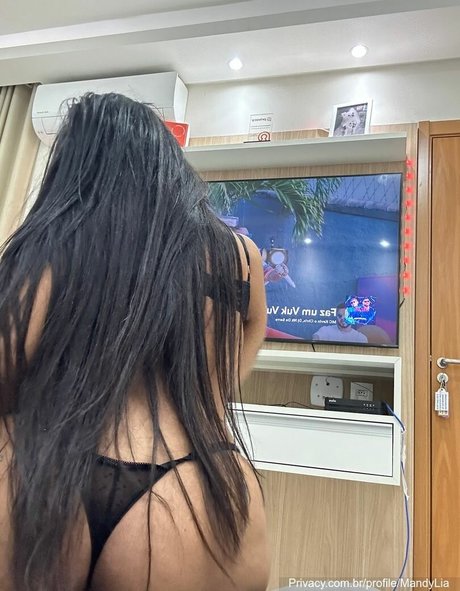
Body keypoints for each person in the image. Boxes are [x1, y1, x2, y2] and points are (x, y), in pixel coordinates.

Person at [0, 94, 270, 591]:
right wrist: (204, 400)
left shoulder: (55, 242)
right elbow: (248, 337)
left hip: (46, 468)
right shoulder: (239, 255)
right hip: (194, 481)